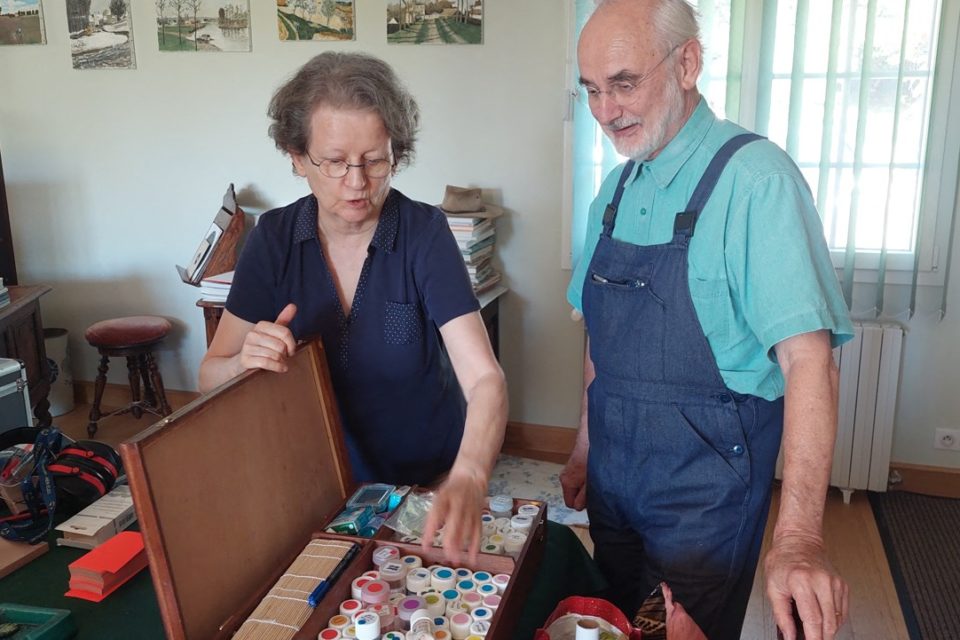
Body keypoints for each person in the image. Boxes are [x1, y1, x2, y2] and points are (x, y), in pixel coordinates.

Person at [560, 1, 855, 639]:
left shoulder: (756, 181)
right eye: (591, 91)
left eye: (624, 83)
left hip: (702, 497)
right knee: (611, 620)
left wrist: (799, 538)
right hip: (614, 478)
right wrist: (586, 447)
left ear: (687, 63)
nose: (606, 112)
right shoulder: (612, 193)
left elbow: (809, 362)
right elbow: (600, 339)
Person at [198, 51, 507, 564]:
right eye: (336, 161)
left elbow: (484, 380)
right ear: (297, 158)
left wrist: (469, 475)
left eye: (375, 160)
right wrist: (243, 361)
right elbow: (210, 373)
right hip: (313, 490)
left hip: (422, 489)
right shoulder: (273, 240)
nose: (358, 182)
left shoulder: (424, 234)